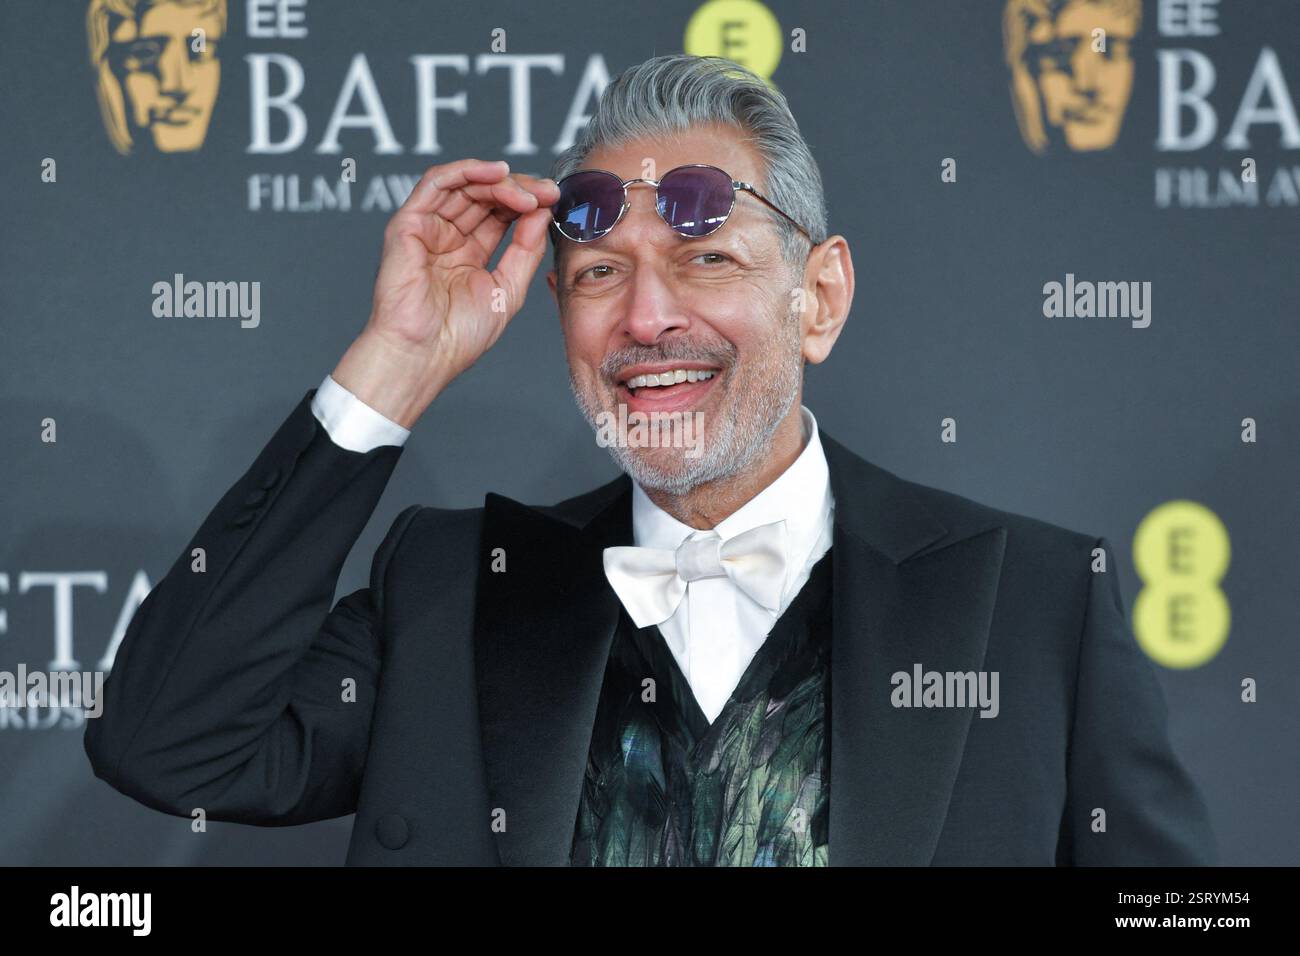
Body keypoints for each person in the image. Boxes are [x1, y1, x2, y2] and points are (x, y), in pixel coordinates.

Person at [84, 53, 1216, 866]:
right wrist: (393, 366)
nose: (645, 317)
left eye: (705, 257)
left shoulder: (1032, 602)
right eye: (595, 274)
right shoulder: (446, 590)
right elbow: (164, 745)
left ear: (817, 297)